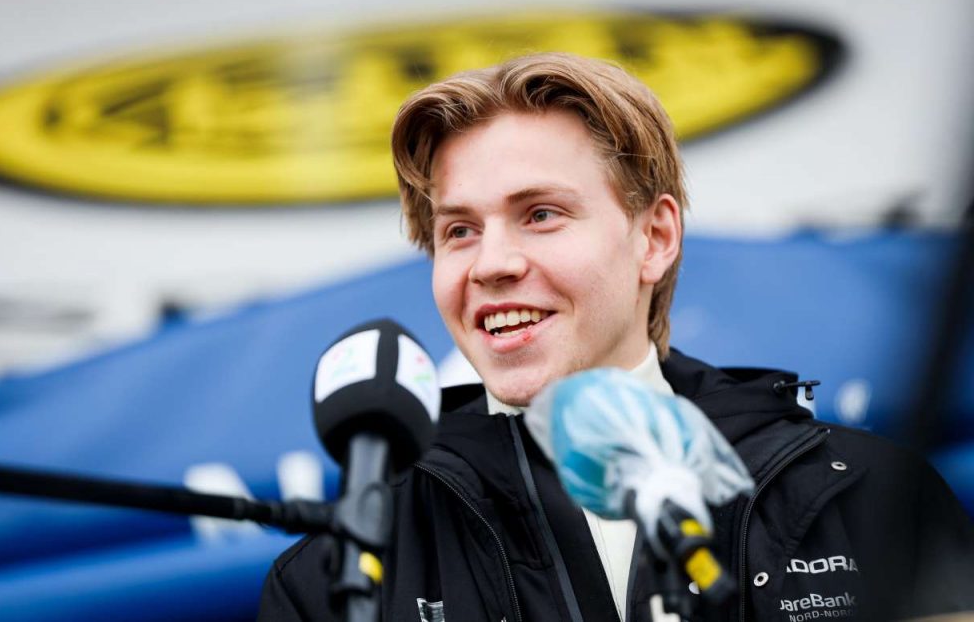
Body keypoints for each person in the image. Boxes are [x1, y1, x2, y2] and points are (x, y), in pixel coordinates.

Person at [258, 53, 974, 621]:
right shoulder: (333, 579)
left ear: (654, 238)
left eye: (540, 214)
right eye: (460, 230)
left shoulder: (871, 497)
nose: (491, 264)